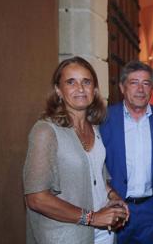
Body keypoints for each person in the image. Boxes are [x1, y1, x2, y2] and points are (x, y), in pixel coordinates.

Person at [23, 57, 129, 244]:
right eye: (71, 82)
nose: (80, 88)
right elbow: (36, 198)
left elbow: (96, 177)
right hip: (65, 235)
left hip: (103, 232)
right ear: (58, 90)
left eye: (86, 82)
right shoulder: (45, 131)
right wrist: (92, 218)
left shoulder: (94, 128)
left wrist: (113, 197)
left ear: (94, 90)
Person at [100, 61, 153, 244]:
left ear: (151, 88)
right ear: (122, 87)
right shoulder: (105, 118)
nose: (140, 89)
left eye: (146, 83)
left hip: (149, 208)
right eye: (134, 82)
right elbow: (96, 162)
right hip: (113, 204)